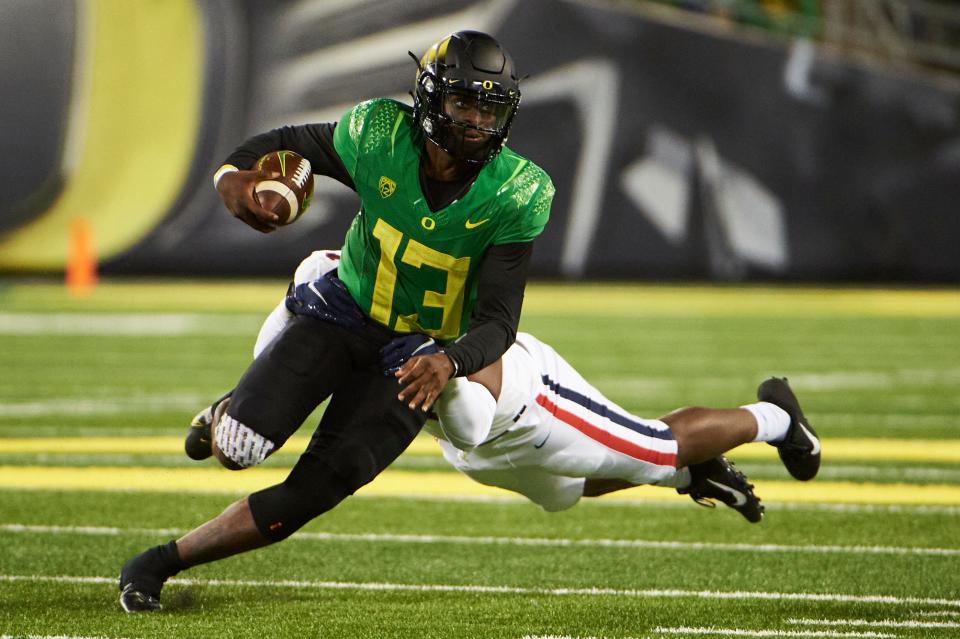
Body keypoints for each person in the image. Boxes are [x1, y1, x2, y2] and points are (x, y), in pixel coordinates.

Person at [118, 30, 554, 613]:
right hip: (345, 311)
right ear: (429, 100)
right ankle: (235, 397)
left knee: (320, 487)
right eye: (462, 103)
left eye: (489, 108)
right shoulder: (379, 135)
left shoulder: (517, 192)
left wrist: (449, 361)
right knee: (237, 447)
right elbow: (279, 143)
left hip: (418, 351)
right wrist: (233, 183)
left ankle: (159, 562)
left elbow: (500, 321)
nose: (476, 121)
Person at [192, 250, 821, 524]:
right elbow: (289, 360)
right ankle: (693, 477)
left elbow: (473, 392)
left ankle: (775, 418)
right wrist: (235, 407)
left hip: (519, 395)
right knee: (561, 494)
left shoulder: (427, 281)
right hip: (466, 440)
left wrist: (438, 366)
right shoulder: (330, 283)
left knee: (652, 445)